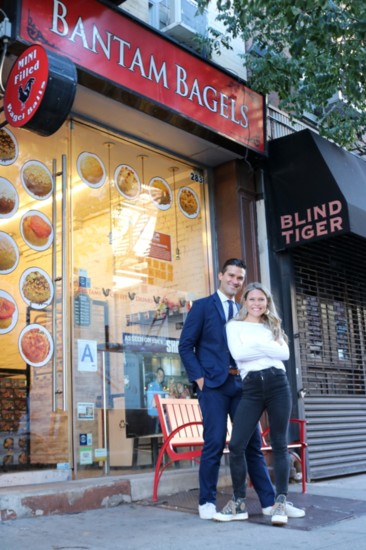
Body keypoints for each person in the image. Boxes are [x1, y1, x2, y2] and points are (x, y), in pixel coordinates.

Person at [179, 259, 303, 521]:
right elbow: (185, 345)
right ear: (221, 275)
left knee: (252, 444)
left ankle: (270, 502)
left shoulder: (243, 309)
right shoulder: (202, 307)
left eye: (239, 278)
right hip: (212, 385)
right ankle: (207, 501)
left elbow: (275, 348)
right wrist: (199, 379)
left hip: (242, 384)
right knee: (214, 441)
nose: (235, 281)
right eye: (231, 276)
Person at [213, 282, 305, 525]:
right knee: (236, 444)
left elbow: (284, 355)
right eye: (252, 299)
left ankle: (281, 502)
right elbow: (240, 355)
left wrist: (255, 347)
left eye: (261, 300)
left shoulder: (271, 324)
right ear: (245, 301)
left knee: (279, 444)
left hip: (278, 384)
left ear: (267, 303)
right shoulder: (234, 326)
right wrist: (267, 349)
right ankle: (239, 502)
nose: (256, 304)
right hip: (252, 387)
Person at [147, 367, 166, 433]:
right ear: (156, 374)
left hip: (159, 416)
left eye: (162, 375)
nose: (161, 376)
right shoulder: (152, 386)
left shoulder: (161, 387)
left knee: (157, 436)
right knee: (154, 437)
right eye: (159, 374)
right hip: (153, 416)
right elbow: (151, 403)